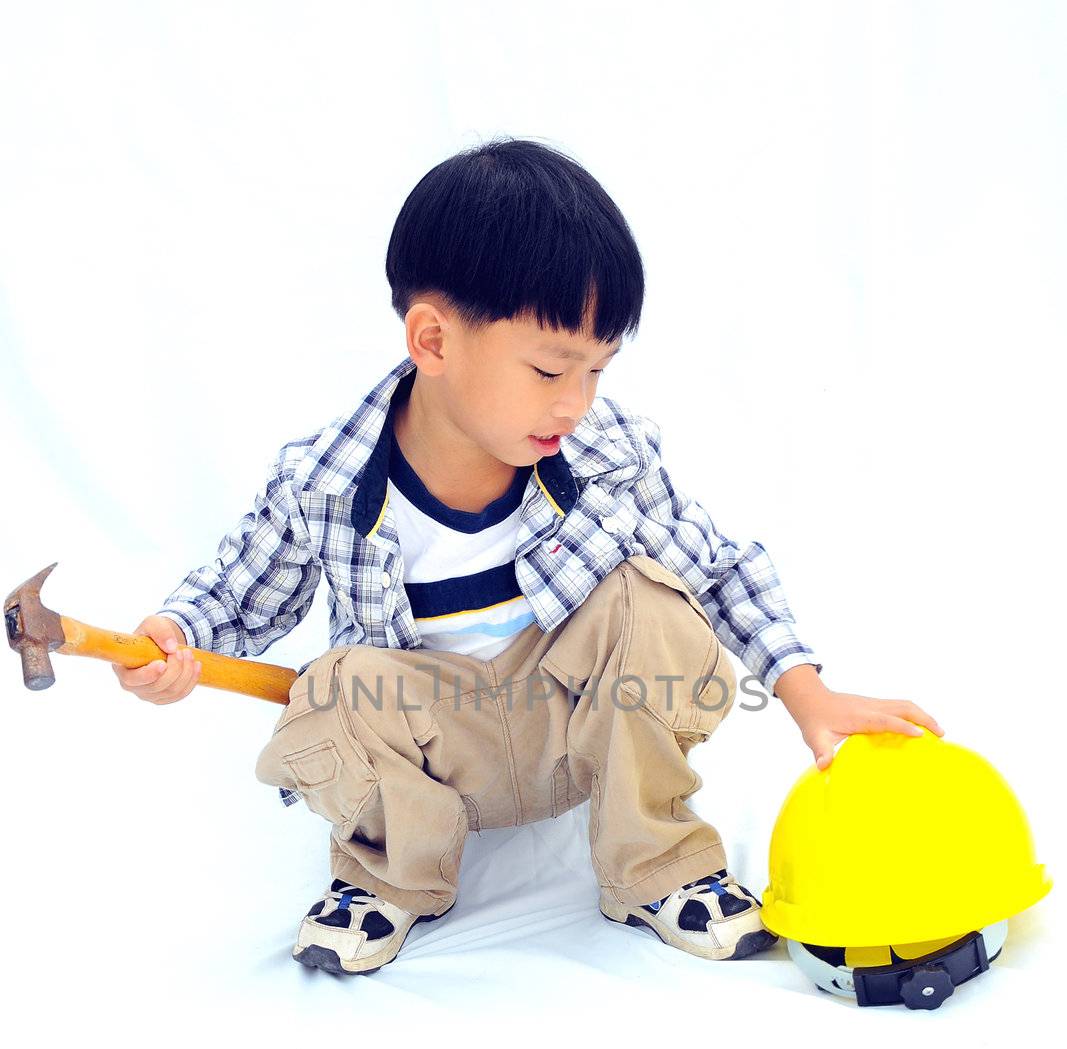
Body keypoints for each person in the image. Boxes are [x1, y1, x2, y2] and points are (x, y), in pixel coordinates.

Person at [113, 136, 943, 977]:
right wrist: (174, 635)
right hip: (439, 749)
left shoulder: (602, 454)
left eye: (596, 371)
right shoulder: (325, 481)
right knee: (331, 687)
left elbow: (715, 565)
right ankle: (389, 878)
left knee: (643, 600)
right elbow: (238, 592)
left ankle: (656, 866)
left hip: (573, 726)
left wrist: (806, 693)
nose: (575, 404)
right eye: (550, 369)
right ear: (433, 341)